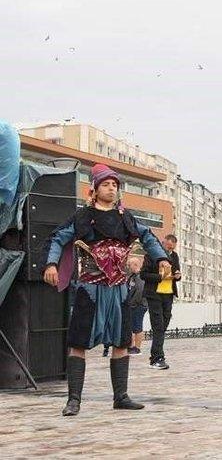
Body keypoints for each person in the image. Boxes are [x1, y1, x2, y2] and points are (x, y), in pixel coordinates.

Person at [43, 163, 175, 416]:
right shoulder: (82, 217)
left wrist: (162, 259)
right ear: (94, 189)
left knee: (122, 341)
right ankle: (73, 400)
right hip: (90, 288)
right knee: (78, 342)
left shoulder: (126, 217)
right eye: (106, 184)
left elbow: (148, 237)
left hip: (118, 289)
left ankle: (121, 396)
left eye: (115, 185)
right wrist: (51, 264)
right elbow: (58, 238)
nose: (111, 188)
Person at [139, 232, 180, 369]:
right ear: (163, 243)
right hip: (154, 294)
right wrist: (160, 277)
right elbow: (143, 274)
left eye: (171, 248)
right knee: (158, 325)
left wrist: (178, 275)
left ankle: (156, 353)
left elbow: (177, 272)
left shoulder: (174, 256)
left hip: (168, 294)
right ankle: (157, 358)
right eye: (167, 247)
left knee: (164, 323)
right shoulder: (151, 255)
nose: (169, 250)